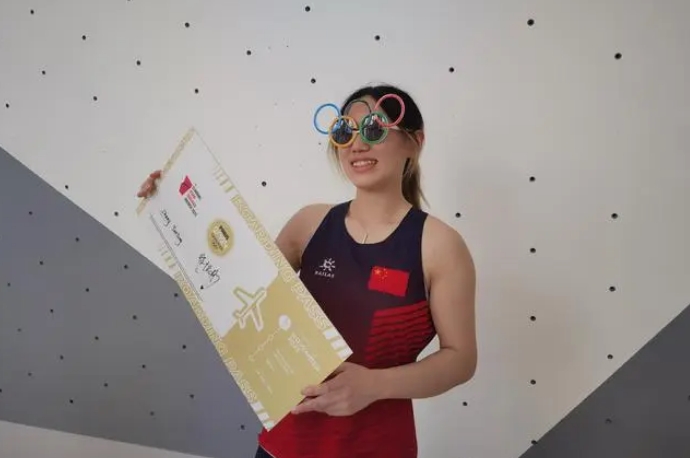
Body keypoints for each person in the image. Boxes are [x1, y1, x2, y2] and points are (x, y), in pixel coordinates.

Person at [137, 83, 477, 458]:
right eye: (345, 132)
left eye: (374, 130)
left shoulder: (439, 246)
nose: (357, 145)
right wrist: (170, 206)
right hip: (282, 446)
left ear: (415, 142)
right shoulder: (309, 225)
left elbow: (460, 359)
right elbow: (231, 288)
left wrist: (375, 385)